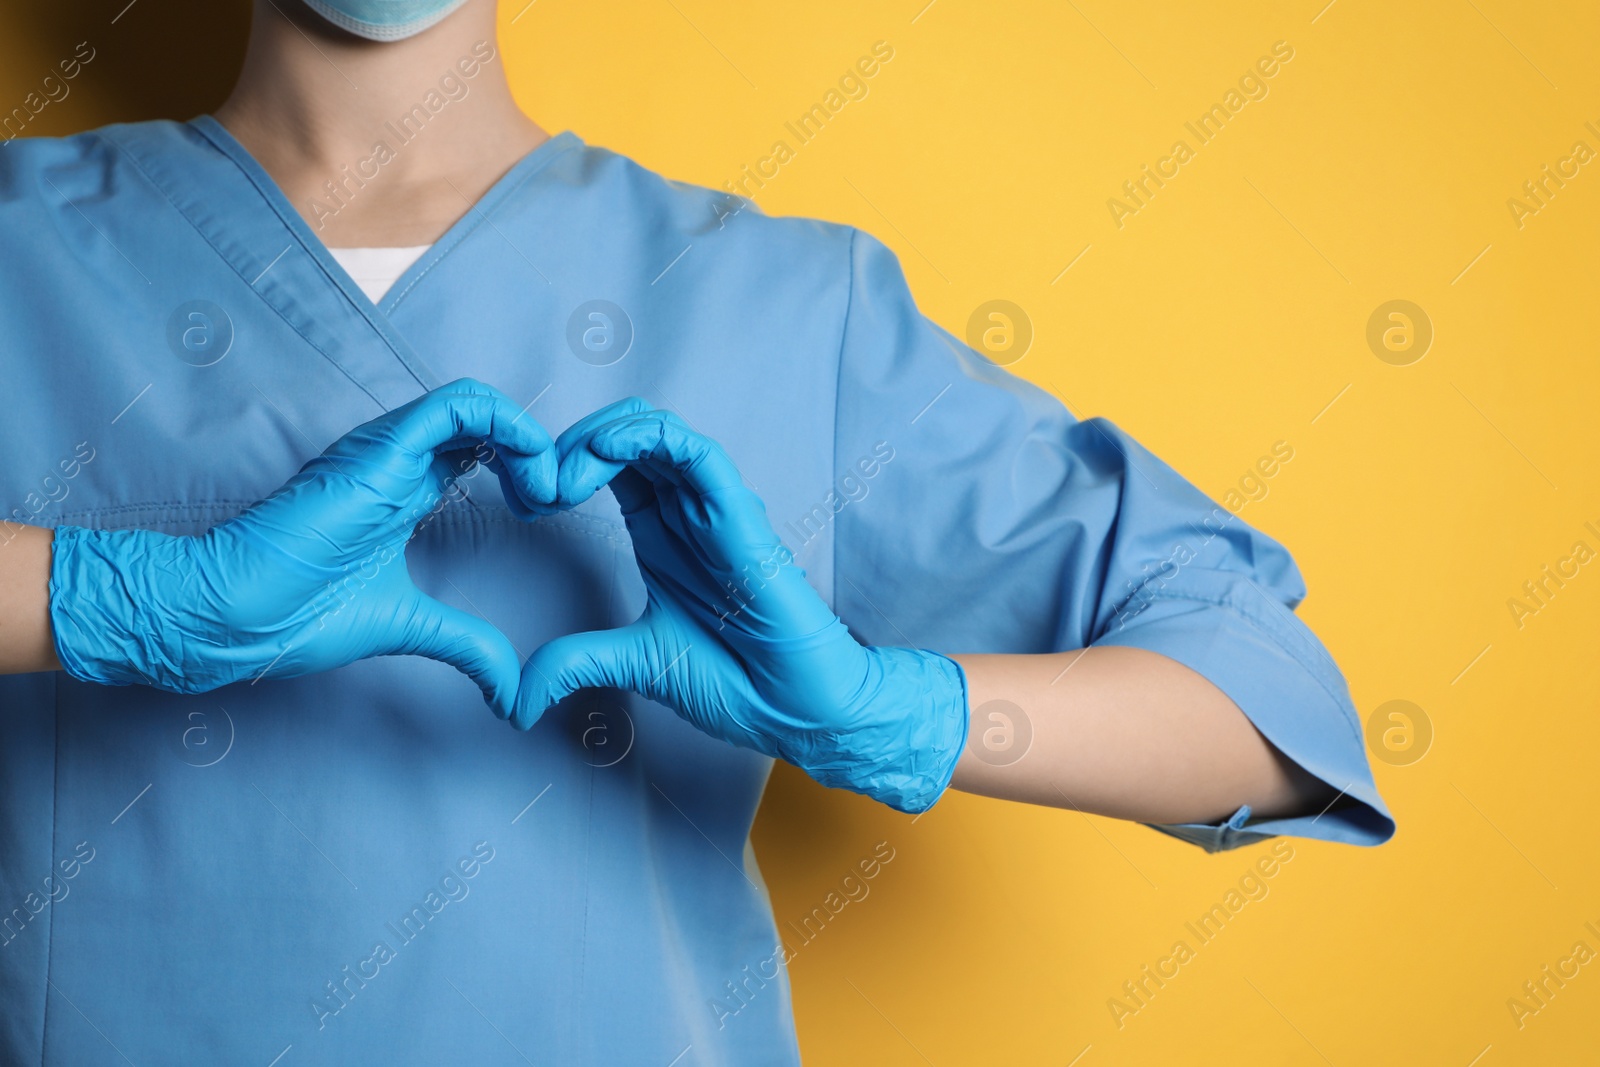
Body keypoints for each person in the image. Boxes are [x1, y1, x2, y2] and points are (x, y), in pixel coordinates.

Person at [0, 0, 1394, 1062]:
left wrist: (889, 714)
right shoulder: (21, 248)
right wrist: (95, 597)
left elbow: (1265, 707)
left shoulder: (783, 306)